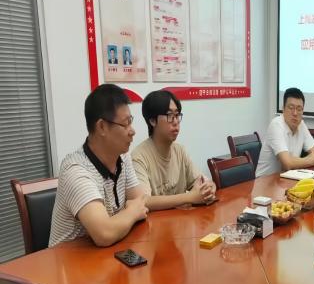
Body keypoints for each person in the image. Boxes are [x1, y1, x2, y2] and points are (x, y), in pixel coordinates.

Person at [49, 84, 148, 247]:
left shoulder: (122, 156)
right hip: (69, 259)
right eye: (125, 124)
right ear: (102, 126)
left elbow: (140, 200)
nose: (132, 131)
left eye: (131, 122)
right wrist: (131, 211)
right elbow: (104, 234)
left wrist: (132, 211)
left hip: (109, 252)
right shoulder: (75, 170)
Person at [132, 90, 216, 211]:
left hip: (182, 220)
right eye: (170, 116)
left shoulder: (180, 151)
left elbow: (203, 181)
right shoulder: (138, 157)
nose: (176, 122)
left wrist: (209, 188)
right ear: (152, 120)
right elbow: (144, 201)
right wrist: (190, 197)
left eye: (177, 115)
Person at [256, 87, 314, 176]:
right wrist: (310, 160)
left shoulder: (301, 125)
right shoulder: (276, 125)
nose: (295, 113)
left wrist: (293, 161)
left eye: (299, 109)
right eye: (291, 108)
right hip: (265, 181)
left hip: (286, 178)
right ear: (283, 109)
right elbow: (287, 164)